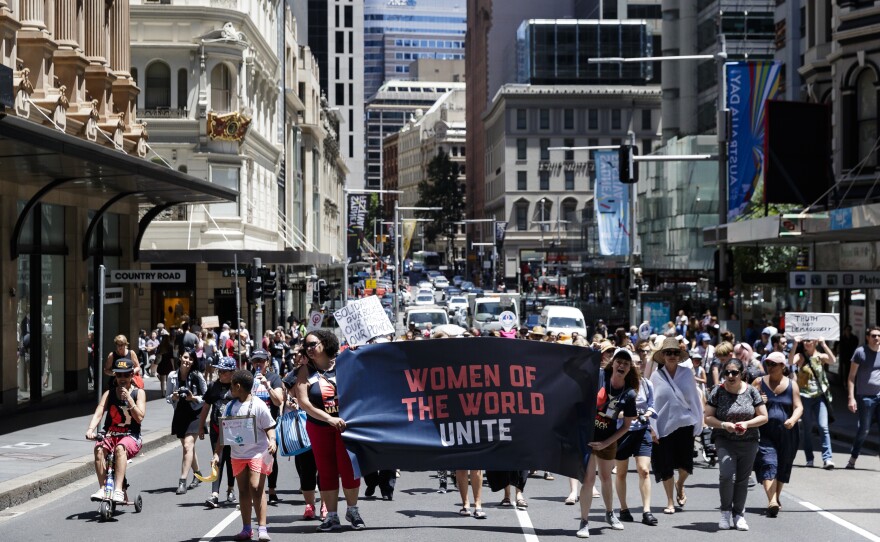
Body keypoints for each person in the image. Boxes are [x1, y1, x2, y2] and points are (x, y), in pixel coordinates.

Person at [294, 329, 365, 531]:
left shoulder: (344, 362)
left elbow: (364, 378)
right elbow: (304, 403)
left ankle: (353, 511)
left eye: (313, 344)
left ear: (325, 343)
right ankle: (331, 516)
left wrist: (357, 354)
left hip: (347, 427)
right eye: (305, 345)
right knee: (326, 471)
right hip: (319, 427)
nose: (308, 349)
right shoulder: (304, 371)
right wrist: (329, 419)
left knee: (350, 469)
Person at [577, 348, 639, 538]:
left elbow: (627, 426)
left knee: (605, 477)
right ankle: (584, 522)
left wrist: (606, 443)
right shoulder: (599, 377)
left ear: (629, 369)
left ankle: (610, 514)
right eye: (619, 361)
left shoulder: (629, 395)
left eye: (626, 364)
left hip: (608, 439)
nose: (622, 365)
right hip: (588, 437)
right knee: (588, 480)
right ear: (613, 364)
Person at [704, 357, 768, 531]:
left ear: (742, 374)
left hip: (749, 440)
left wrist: (747, 424)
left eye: (734, 372)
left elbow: (763, 416)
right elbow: (708, 417)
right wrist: (724, 425)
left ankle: (738, 514)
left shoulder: (752, 392)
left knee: (742, 479)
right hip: (724, 439)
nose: (730, 375)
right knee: (726, 475)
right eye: (727, 372)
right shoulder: (717, 391)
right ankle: (725, 512)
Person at [212, 369, 276, 542]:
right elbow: (223, 434)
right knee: (243, 490)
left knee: (256, 487)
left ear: (238, 386)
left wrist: (273, 440)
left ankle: (262, 527)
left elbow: (270, 426)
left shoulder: (258, 405)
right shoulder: (230, 407)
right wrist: (217, 453)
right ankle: (247, 529)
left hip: (258, 452)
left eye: (232, 384)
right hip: (238, 455)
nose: (230, 387)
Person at [648, 337, 704, 516]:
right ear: (663, 356)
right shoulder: (655, 377)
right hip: (663, 426)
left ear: (679, 356)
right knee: (666, 465)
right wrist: (652, 428)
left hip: (685, 424)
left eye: (675, 353)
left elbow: (695, 400)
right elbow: (652, 404)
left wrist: (699, 422)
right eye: (668, 352)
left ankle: (680, 484)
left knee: (685, 465)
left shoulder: (687, 374)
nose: (671, 355)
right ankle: (670, 501)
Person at [85, 357, 146, 502]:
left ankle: (118, 490)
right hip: (111, 434)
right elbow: (99, 412)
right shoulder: (109, 394)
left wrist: (130, 400)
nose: (122, 378)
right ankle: (103, 488)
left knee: (120, 448)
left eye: (125, 374)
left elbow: (140, 417)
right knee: (99, 449)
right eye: (119, 375)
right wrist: (90, 429)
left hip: (132, 436)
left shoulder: (139, 393)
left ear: (132, 374)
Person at [752, 351, 802, 517]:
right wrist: (757, 401)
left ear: (782, 366)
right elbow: (745, 403)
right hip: (764, 432)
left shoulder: (791, 385)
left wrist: (793, 420)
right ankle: (772, 501)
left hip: (787, 433)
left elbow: (798, 406)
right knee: (768, 462)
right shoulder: (758, 383)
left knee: (783, 465)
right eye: (768, 364)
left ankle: (775, 498)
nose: (770, 367)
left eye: (774, 364)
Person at [615, 346, 658, 527]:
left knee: (644, 470)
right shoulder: (617, 385)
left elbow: (652, 405)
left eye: (638, 362)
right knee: (622, 473)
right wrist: (626, 415)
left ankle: (646, 511)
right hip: (622, 432)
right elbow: (611, 409)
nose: (636, 365)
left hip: (641, 431)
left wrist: (646, 414)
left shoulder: (646, 384)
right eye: (633, 363)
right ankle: (624, 508)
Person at [282, 349, 324, 520]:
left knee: (324, 468)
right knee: (306, 468)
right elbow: (283, 394)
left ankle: (326, 505)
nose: (301, 359)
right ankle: (309, 505)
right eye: (299, 357)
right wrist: (290, 400)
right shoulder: (294, 374)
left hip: (322, 424)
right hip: (302, 426)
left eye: (303, 356)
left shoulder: (324, 372)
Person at [198, 356, 238, 509]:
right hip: (216, 429)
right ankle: (214, 494)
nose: (220, 373)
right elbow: (206, 407)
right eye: (218, 370)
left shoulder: (237, 387)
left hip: (234, 431)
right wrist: (201, 427)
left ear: (232, 372)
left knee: (232, 460)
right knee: (218, 459)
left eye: (223, 371)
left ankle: (230, 489)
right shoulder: (213, 386)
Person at [790, 336, 836, 468]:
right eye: (804, 341)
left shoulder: (820, 356)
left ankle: (827, 458)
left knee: (823, 427)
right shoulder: (800, 356)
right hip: (804, 397)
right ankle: (809, 458)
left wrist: (825, 344)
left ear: (815, 342)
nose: (806, 343)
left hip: (819, 397)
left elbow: (833, 360)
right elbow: (790, 361)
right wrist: (794, 344)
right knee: (807, 429)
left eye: (809, 340)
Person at [168, 349, 208, 494]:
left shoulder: (197, 375)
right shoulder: (172, 376)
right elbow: (167, 397)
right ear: (180, 357)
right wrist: (173, 397)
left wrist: (193, 398)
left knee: (188, 445)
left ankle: (182, 481)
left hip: (195, 413)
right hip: (180, 413)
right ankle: (198, 475)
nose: (187, 361)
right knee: (188, 448)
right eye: (185, 357)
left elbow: (206, 396)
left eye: (191, 359)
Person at [249, 349, 285, 504]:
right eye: (255, 361)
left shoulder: (274, 378)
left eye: (261, 361)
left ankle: (272, 490)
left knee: (270, 456)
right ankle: (255, 489)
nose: (258, 364)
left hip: (270, 424)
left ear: (267, 362)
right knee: (250, 457)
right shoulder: (247, 378)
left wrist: (267, 386)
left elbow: (278, 401)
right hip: (251, 425)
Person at [845, 325, 880, 469]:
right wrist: (851, 398)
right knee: (864, 429)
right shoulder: (860, 352)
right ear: (867, 337)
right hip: (865, 397)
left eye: (879, 335)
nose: (877, 338)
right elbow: (851, 377)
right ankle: (853, 458)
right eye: (873, 335)